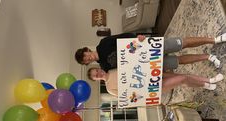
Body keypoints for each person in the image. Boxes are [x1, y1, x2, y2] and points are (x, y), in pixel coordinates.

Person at [75, 33, 226, 72]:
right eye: (85, 61)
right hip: (147, 64)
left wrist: (137, 37)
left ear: (87, 51)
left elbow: (122, 37)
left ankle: (213, 39)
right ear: (87, 63)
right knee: (178, 61)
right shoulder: (104, 67)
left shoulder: (102, 44)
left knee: (180, 43)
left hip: (148, 47)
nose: (88, 58)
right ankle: (208, 56)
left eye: (85, 55)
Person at [87, 67, 224, 97]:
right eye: (96, 76)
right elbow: (130, 97)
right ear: (97, 80)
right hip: (151, 87)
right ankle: (209, 80)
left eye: (97, 71)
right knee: (182, 79)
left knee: (182, 76)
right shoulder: (110, 89)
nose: (99, 73)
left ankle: (206, 83)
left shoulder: (113, 68)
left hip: (152, 72)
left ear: (99, 68)